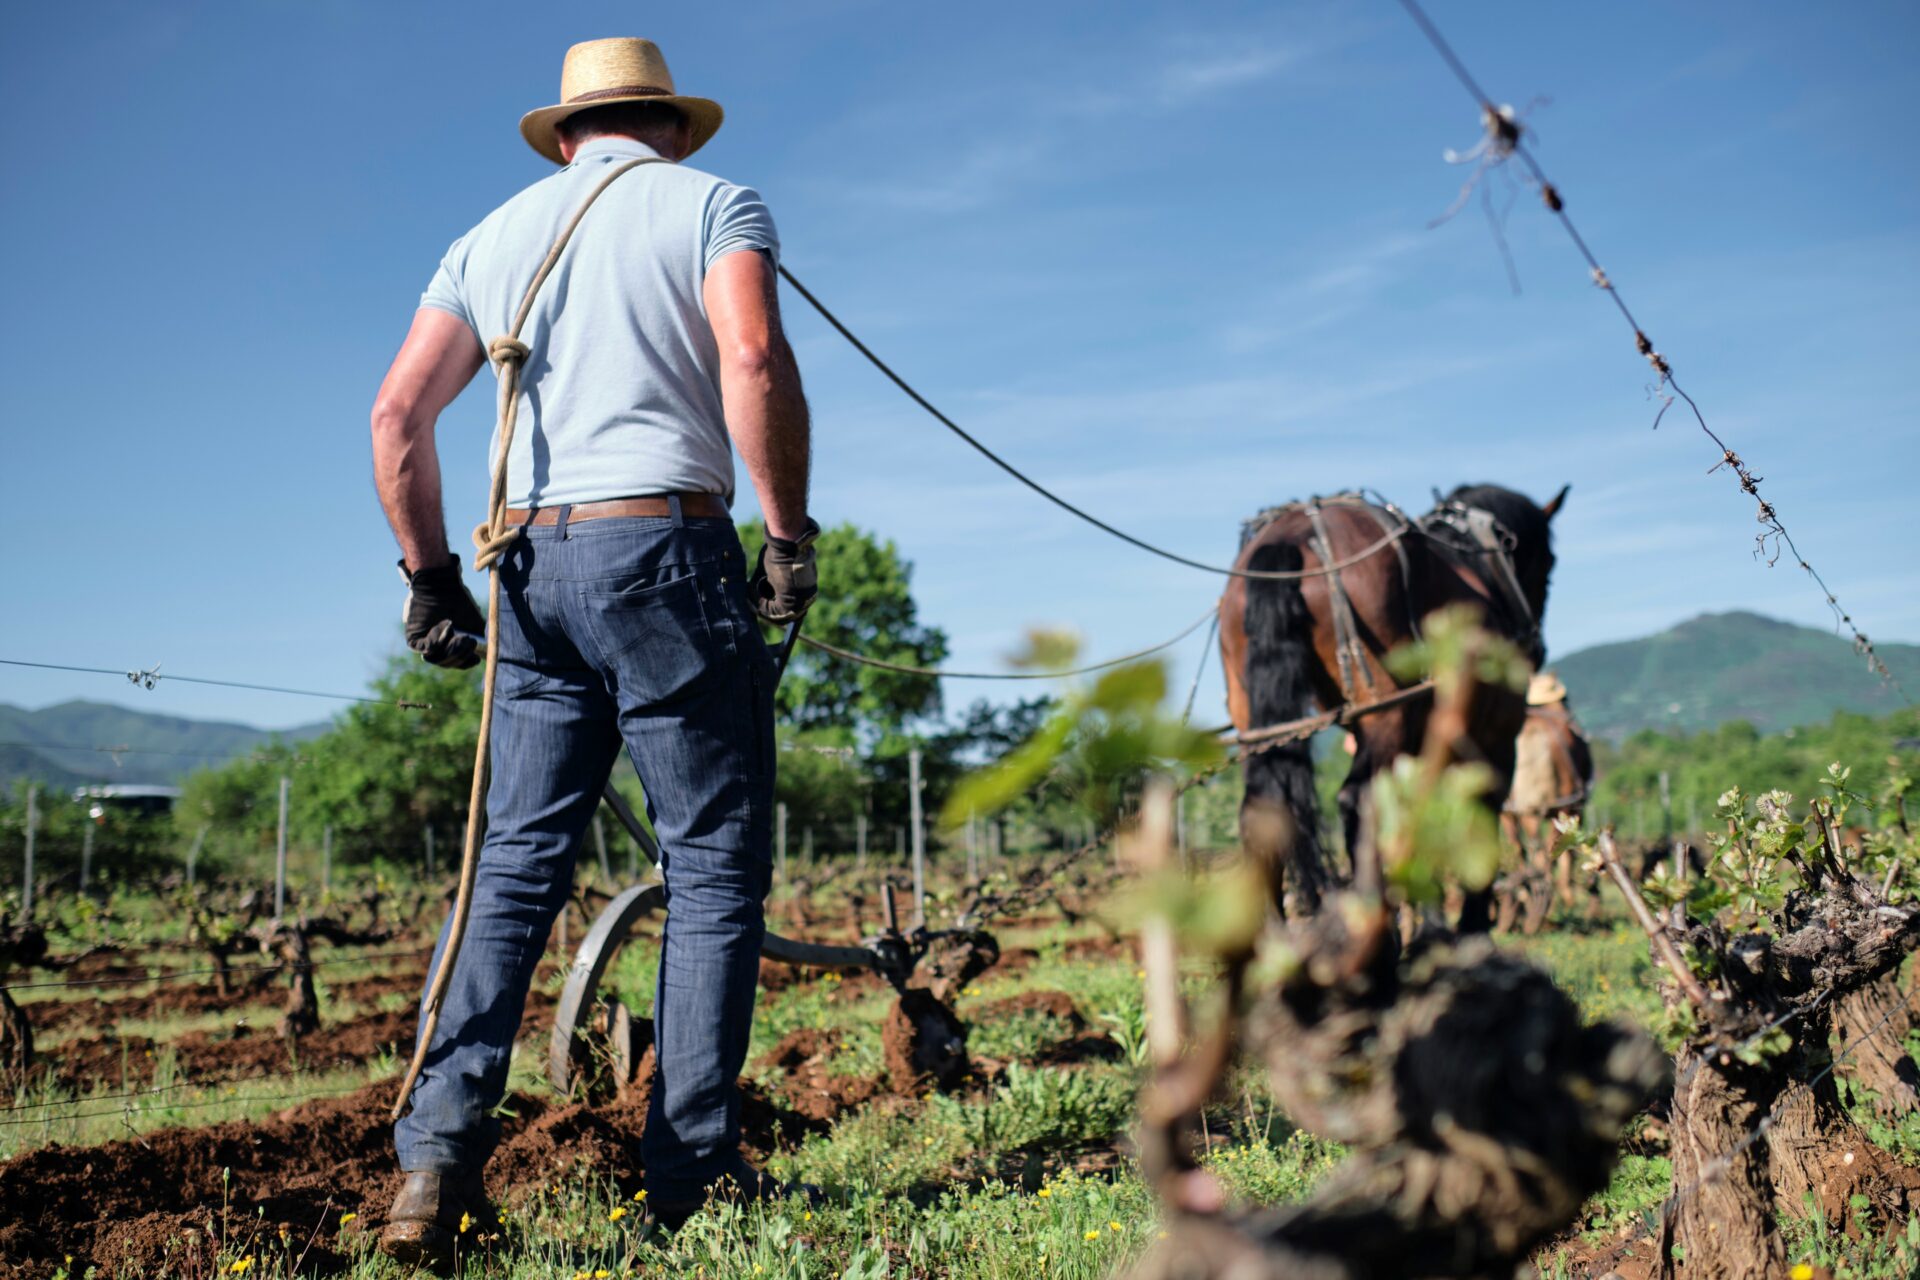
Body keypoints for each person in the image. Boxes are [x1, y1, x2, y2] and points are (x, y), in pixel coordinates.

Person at [367, 37, 817, 1265]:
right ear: (669, 124)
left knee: (513, 864)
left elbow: (398, 414)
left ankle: (433, 1164)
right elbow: (753, 356)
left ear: (566, 136)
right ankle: (691, 1174)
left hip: (526, 565)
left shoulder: (487, 238)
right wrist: (787, 537)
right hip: (665, 548)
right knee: (711, 864)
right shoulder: (716, 203)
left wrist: (429, 576)